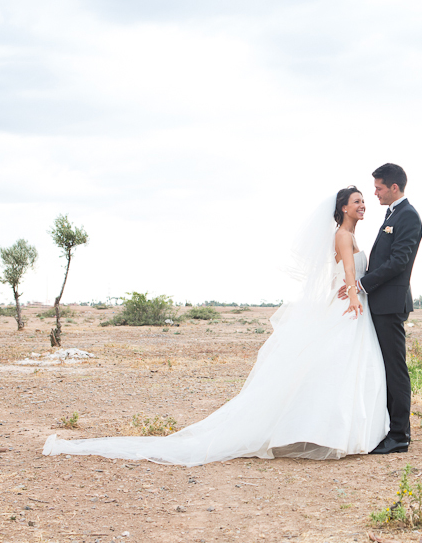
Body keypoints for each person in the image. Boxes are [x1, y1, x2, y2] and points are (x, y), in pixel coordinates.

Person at [42, 187, 389, 466]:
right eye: (357, 201)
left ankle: (333, 430)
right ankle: (331, 431)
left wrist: (356, 288)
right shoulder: (343, 235)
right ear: (343, 207)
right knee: (336, 366)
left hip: (349, 304)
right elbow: (346, 274)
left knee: (339, 368)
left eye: (363, 201)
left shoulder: (350, 235)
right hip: (348, 308)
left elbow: (350, 275)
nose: (363, 205)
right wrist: (355, 298)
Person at [340, 163, 422, 454]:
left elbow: (399, 262)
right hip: (380, 303)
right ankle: (389, 428)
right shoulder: (393, 215)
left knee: (395, 370)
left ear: (394, 188)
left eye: (378, 188)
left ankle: (400, 436)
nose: (374, 194)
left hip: (390, 304)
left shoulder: (408, 216)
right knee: (385, 368)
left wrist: (361, 285)